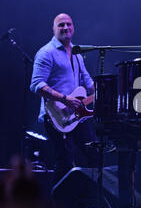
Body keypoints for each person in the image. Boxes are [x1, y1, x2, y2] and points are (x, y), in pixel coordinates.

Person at [30, 13, 99, 187]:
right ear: (53, 29)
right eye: (61, 25)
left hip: (77, 115)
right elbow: (36, 85)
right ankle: (54, 207)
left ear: (73, 28)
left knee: (95, 155)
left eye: (68, 24)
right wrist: (65, 99)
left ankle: (88, 202)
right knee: (66, 162)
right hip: (55, 116)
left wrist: (102, 91)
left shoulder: (76, 52)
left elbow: (88, 81)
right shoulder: (46, 53)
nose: (65, 28)